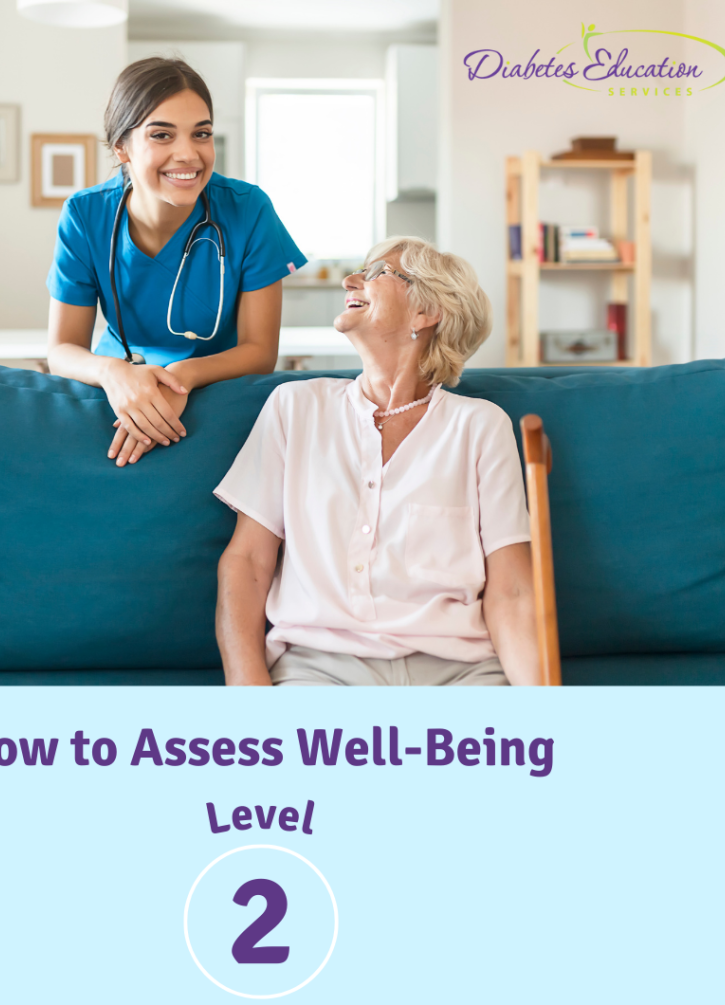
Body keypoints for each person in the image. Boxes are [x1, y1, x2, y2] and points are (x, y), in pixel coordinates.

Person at [213, 236, 539, 687]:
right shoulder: (294, 407)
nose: (351, 280)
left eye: (376, 273)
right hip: (320, 668)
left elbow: (513, 592)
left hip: (460, 673)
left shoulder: (481, 426)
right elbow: (246, 563)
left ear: (426, 313)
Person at [46, 58, 306, 467]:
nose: (188, 154)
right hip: (119, 393)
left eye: (201, 133)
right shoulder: (85, 215)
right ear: (122, 148)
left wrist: (182, 379)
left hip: (216, 393)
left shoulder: (248, 210)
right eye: (161, 135)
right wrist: (115, 375)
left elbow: (259, 351)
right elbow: (62, 349)